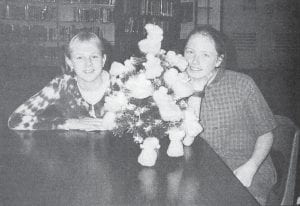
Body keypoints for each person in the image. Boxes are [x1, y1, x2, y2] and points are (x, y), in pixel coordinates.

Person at [184, 25, 277, 205]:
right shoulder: (176, 84)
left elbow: (266, 133)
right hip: (199, 170)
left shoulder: (242, 84)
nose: (195, 61)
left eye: (205, 55)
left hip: (245, 166)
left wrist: (250, 167)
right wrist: (196, 91)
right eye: (190, 52)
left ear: (218, 60)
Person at [8, 31, 110, 131]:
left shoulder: (121, 83)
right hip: (75, 147)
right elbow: (15, 120)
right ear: (69, 62)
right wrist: (71, 123)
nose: (88, 63)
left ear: (103, 59)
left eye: (94, 56)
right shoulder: (61, 84)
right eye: (79, 58)